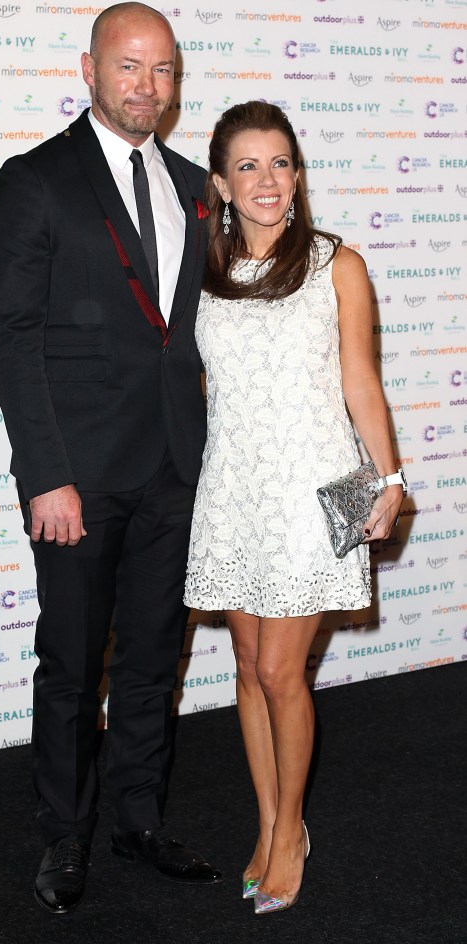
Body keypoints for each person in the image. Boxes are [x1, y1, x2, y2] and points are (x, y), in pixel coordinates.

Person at [0, 2, 222, 914]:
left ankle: (137, 821)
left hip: (173, 470)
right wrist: (45, 475)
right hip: (75, 479)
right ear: (89, 71)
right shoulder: (36, 179)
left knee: (154, 663)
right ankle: (64, 834)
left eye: (161, 70)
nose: (145, 87)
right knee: (73, 667)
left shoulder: (198, 186)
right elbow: (13, 337)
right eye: (128, 67)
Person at [184, 101, 405, 915]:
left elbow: (360, 383)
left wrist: (387, 481)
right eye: (247, 165)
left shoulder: (332, 264)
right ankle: (271, 819)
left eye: (279, 163)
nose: (266, 179)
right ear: (220, 184)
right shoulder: (203, 271)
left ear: (297, 175)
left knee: (281, 672)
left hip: (311, 493)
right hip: (233, 490)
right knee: (245, 669)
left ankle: (289, 836)